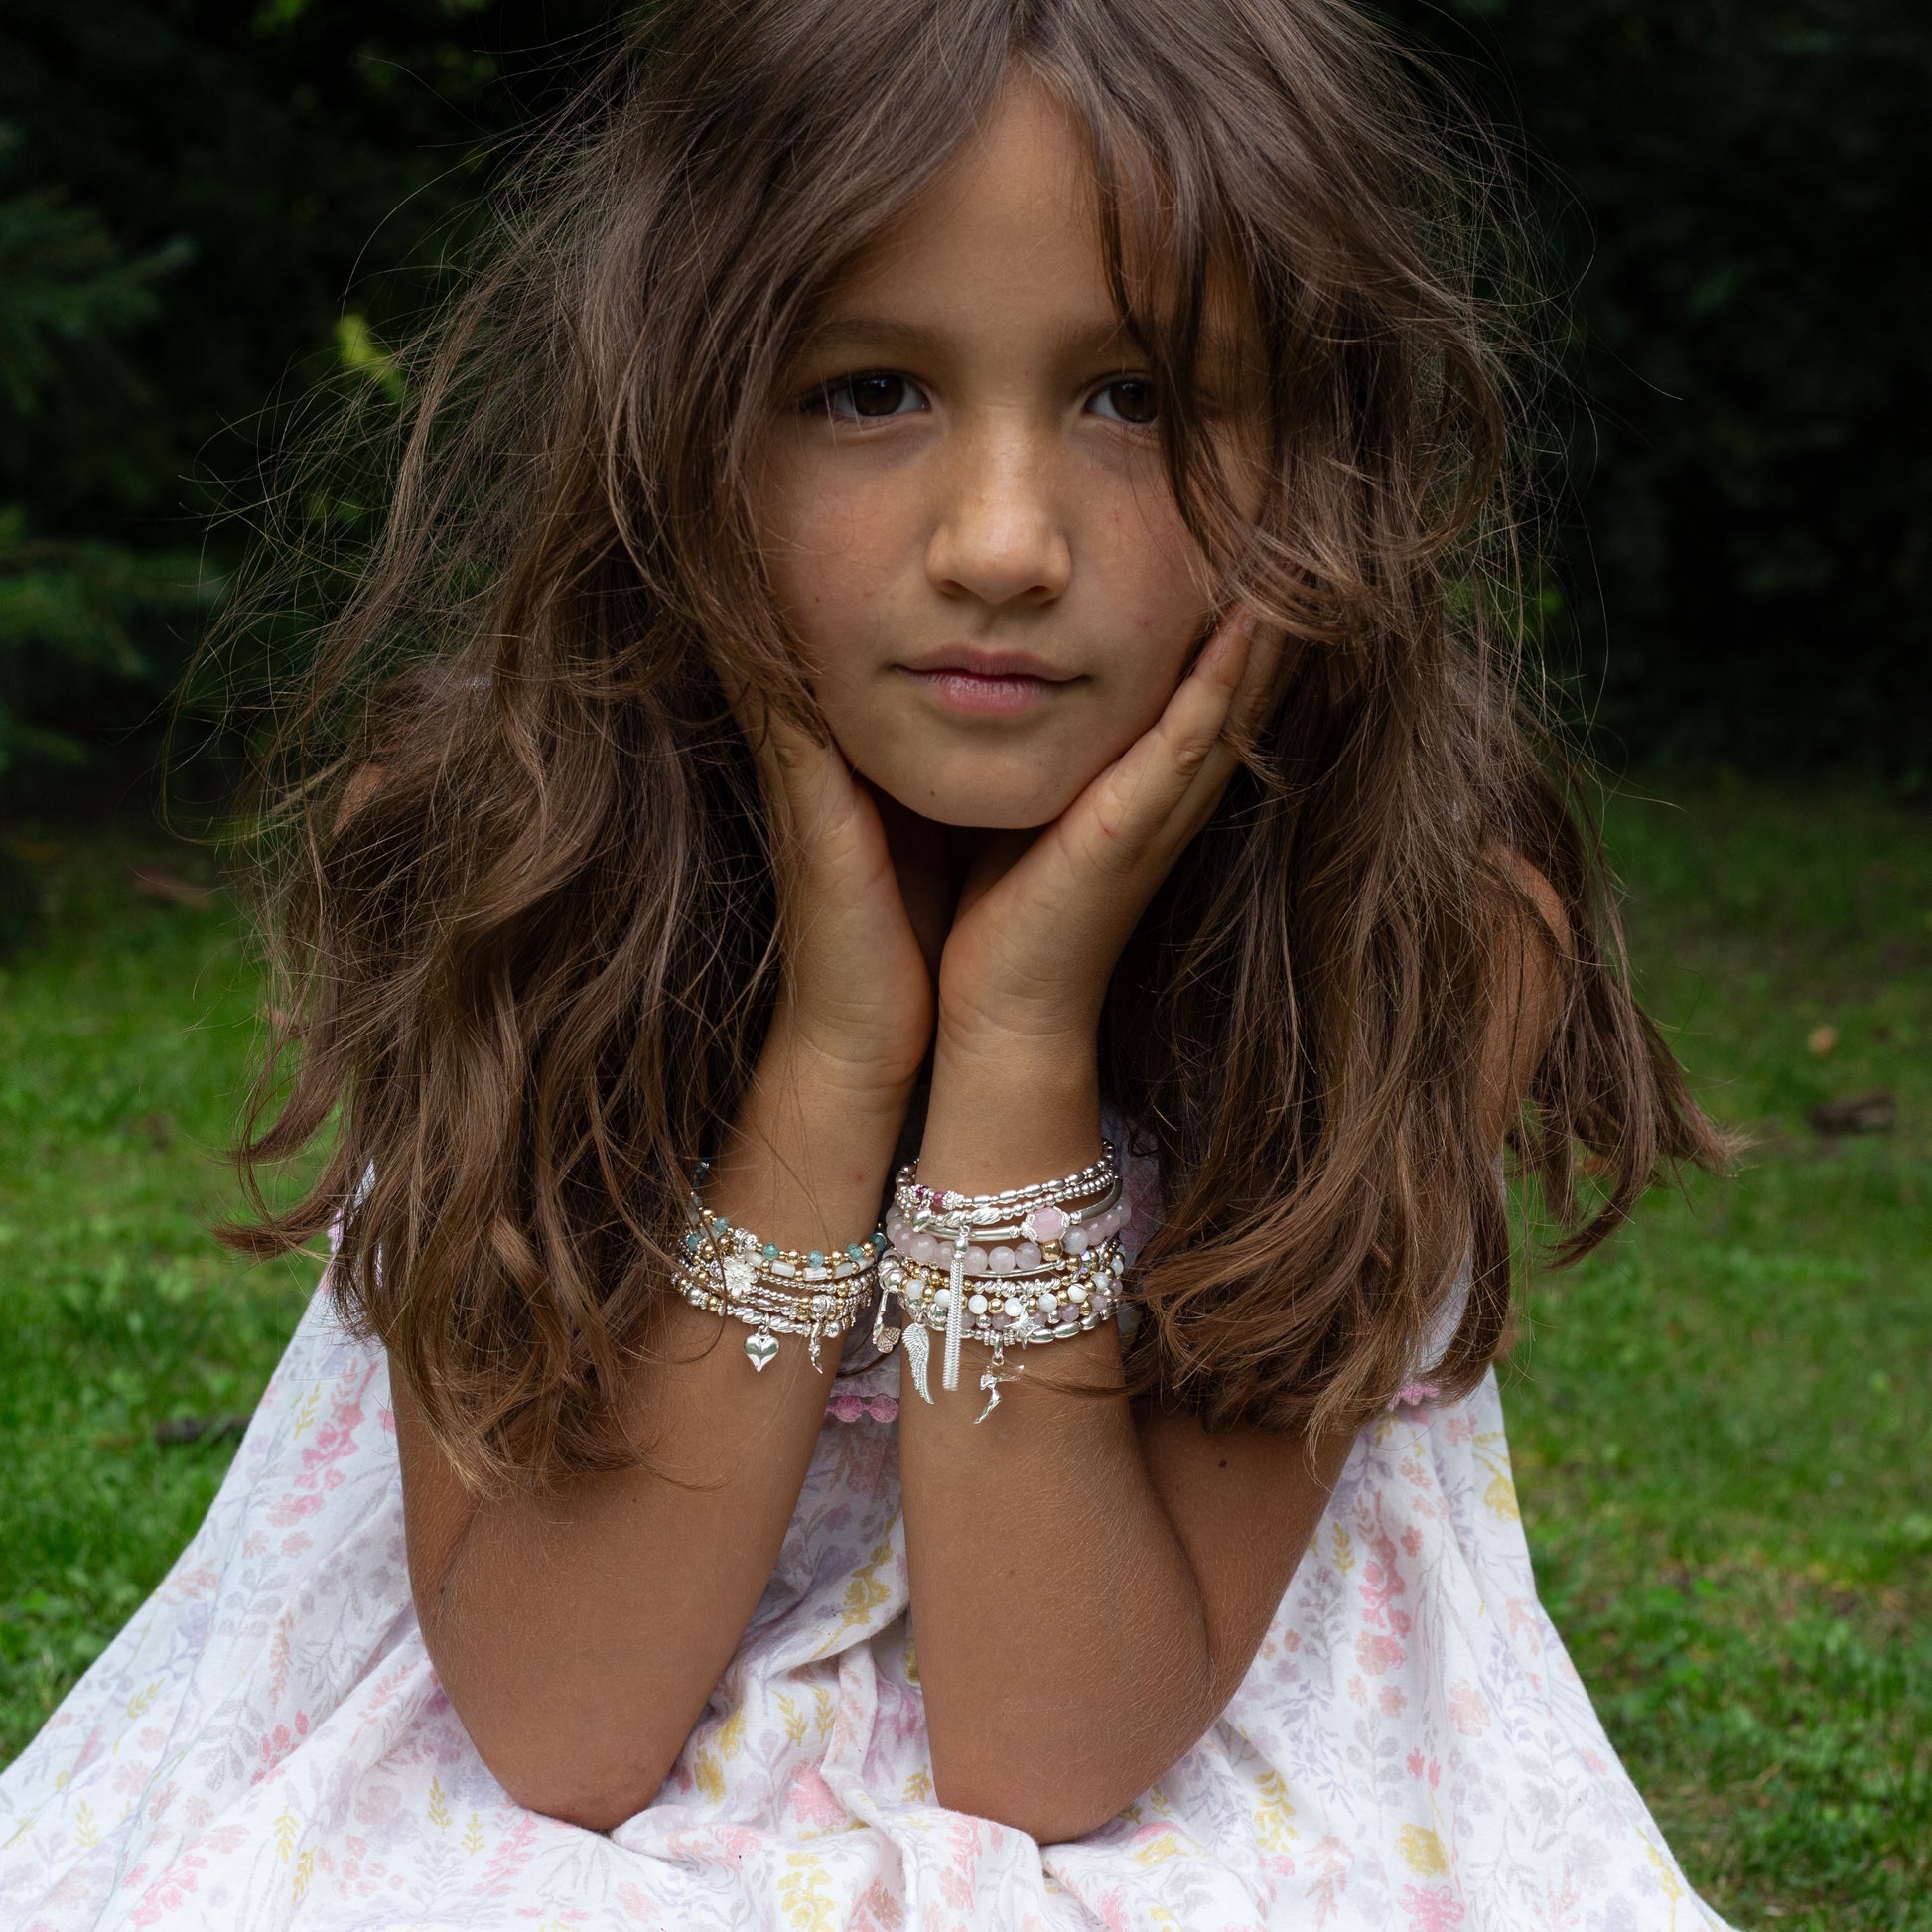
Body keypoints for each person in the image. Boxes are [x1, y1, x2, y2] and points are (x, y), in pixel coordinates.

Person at [0, 2, 1737, 1925]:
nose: (1001, 543)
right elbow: (556, 1727)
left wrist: (1013, 1032)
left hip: (1165, 1757)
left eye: (1137, 399)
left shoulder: (1409, 930)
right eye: (867, 391)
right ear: (683, 427)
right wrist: (833, 1052)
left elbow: (1054, 1750)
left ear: (1324, 450)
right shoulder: (503, 850)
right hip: (544, 1727)